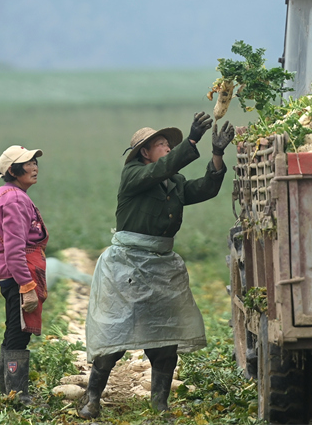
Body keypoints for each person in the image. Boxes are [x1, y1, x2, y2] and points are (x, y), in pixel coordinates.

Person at [79, 112, 235, 418]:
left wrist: (217, 154)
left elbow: (206, 188)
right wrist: (191, 141)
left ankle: (160, 404)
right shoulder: (135, 176)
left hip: (162, 265)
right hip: (127, 266)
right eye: (161, 144)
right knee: (116, 334)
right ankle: (92, 398)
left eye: (167, 144)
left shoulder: (173, 182)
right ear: (144, 153)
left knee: (166, 338)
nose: (166, 148)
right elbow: (165, 166)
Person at [0, 145, 48, 404]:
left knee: (14, 328)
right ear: (12, 170)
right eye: (28, 163)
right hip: (17, 275)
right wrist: (27, 286)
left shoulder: (10, 194)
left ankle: (8, 392)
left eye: (35, 162)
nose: (34, 167)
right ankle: (16, 396)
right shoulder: (13, 199)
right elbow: (14, 250)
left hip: (12, 274)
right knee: (18, 333)